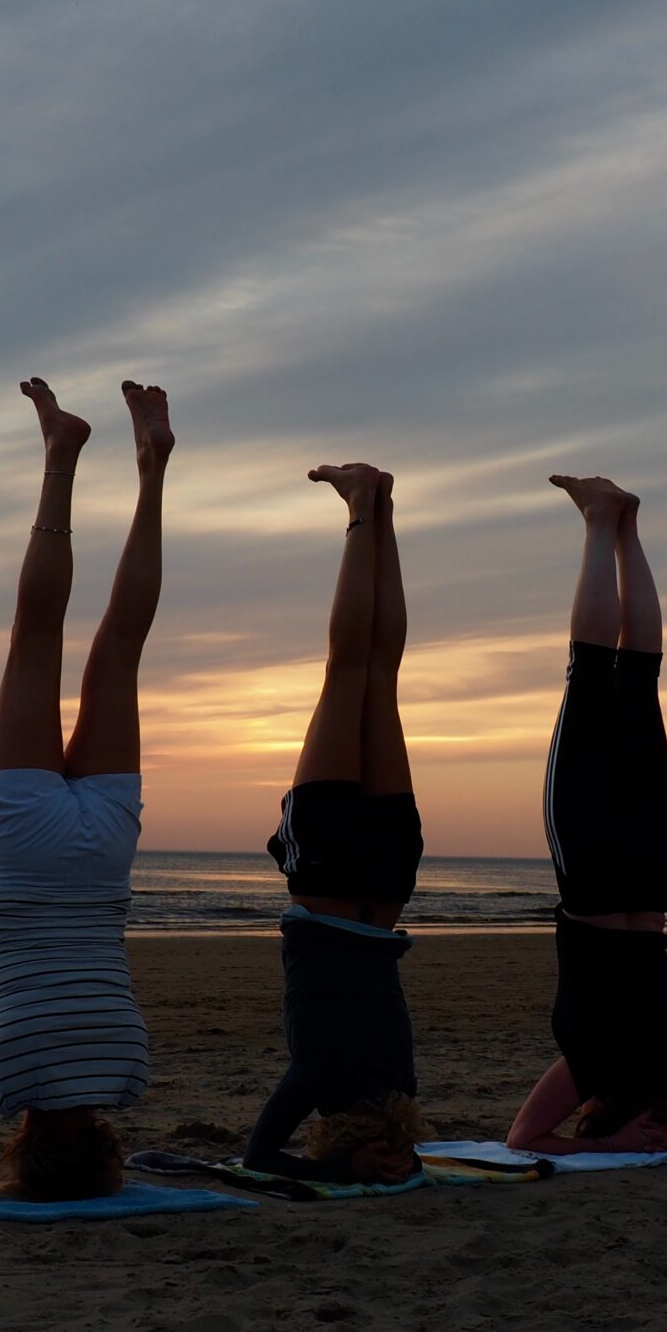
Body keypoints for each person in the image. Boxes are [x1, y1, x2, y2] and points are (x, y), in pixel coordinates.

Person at [0, 377, 171, 1201]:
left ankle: (153, 472)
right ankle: (60, 455)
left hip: (104, 859)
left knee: (122, 647)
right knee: (34, 640)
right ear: (18, 1153)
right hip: (22, 854)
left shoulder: (131, 1077)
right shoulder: (2, 1085)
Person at [244, 463, 432, 1185]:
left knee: (363, 674)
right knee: (363, 674)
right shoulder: (390, 1096)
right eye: (400, 1161)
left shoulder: (336, 1086)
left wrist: (343, 1173)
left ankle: (376, 509)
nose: (396, 1159)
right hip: (356, 877)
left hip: (363, 879)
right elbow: (269, 1154)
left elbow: (263, 1157)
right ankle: (368, 507)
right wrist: (367, 1166)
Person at [505, 477, 667, 1157]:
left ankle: (628, 528)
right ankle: (596, 520)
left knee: (640, 680)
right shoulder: (596, 1066)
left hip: (654, 882)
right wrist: (606, 1146)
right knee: (589, 674)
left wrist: (653, 1131)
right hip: (592, 874)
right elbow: (527, 1139)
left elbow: (658, 1107)